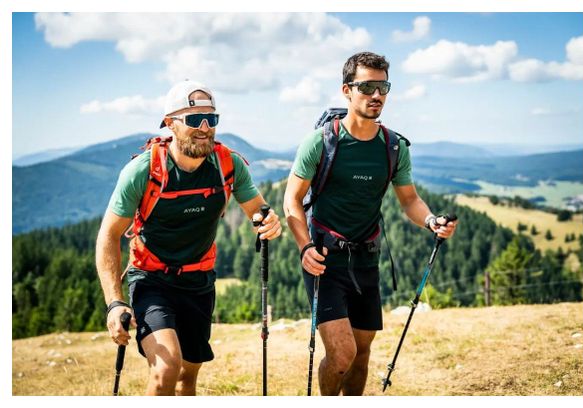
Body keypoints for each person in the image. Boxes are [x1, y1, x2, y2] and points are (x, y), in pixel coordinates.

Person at [283, 52, 458, 396]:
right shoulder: (321, 142)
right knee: (342, 355)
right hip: (324, 261)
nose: (376, 95)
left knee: (361, 355)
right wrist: (304, 247)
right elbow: (292, 200)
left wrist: (431, 221)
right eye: (367, 86)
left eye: (383, 87)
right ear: (347, 90)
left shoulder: (393, 146)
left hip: (367, 259)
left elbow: (409, 200)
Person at [96, 80, 282, 396]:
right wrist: (114, 303)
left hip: (199, 282)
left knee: (187, 377)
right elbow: (108, 237)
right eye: (195, 120)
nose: (205, 127)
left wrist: (268, 219)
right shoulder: (144, 170)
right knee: (167, 369)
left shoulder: (228, 164)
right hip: (151, 279)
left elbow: (257, 207)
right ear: (170, 124)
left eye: (212, 119)